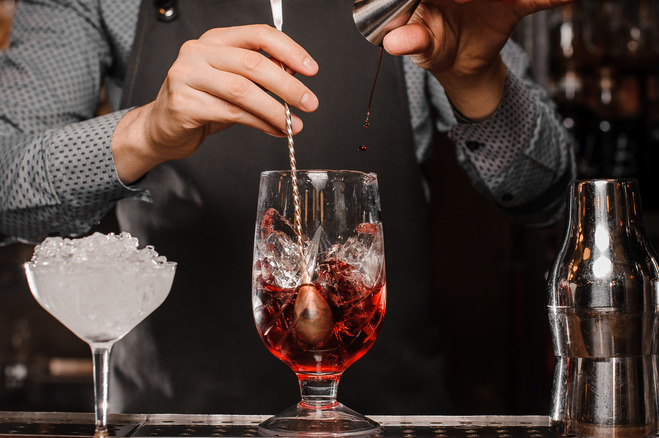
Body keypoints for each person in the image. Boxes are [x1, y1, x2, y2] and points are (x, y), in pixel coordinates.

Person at [0, 0, 574, 414]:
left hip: (387, 418)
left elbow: (546, 196)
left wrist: (476, 76)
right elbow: (7, 192)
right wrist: (144, 132)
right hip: (170, 418)